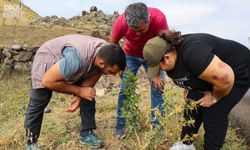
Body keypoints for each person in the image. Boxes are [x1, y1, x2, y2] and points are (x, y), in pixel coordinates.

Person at [143, 30, 250, 150]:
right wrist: (189, 87)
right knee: (192, 102)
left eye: (159, 67)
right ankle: (185, 144)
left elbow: (225, 79)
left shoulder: (193, 53)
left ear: (167, 57)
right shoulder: (170, 54)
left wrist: (215, 97)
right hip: (213, 72)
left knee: (214, 110)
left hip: (238, 70)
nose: (160, 71)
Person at [24, 34, 126, 150]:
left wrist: (80, 95)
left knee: (88, 95)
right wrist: (79, 91)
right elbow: (47, 81)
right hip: (48, 59)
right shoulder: (76, 60)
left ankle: (87, 134)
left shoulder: (105, 52)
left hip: (74, 65)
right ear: (101, 63)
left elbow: (92, 79)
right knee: (39, 101)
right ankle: (31, 143)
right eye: (111, 71)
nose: (112, 75)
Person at [110, 2, 169, 138]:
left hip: (153, 56)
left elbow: (163, 45)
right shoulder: (121, 22)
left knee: (157, 89)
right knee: (125, 90)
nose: (137, 34)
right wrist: (119, 64)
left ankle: (158, 130)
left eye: (141, 30)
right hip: (130, 55)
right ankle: (121, 127)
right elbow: (113, 43)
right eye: (134, 30)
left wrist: (155, 73)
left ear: (148, 18)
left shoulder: (159, 19)